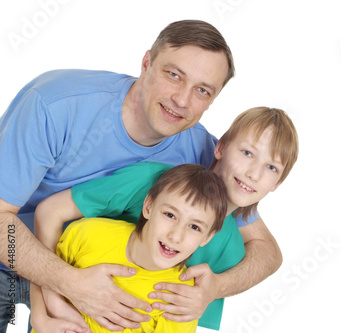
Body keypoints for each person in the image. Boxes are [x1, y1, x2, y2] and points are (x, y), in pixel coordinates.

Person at [0, 20, 282, 332]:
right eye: (174, 75)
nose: (182, 100)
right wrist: (62, 287)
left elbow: (266, 250)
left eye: (202, 90)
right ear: (146, 63)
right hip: (11, 257)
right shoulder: (54, 106)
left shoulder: (204, 155)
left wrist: (215, 288)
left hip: (97, 278)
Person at [30, 106, 299, 332]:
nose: (254, 173)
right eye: (247, 153)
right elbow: (50, 213)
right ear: (221, 147)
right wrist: (45, 311)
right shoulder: (153, 181)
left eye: (271, 167)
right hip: (38, 278)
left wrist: (216, 288)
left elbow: (270, 254)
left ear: (278, 183)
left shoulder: (229, 245)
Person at [31, 164, 228, 333]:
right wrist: (40, 320)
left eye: (194, 227)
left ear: (207, 237)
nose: (176, 236)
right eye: (169, 215)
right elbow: (43, 273)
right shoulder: (87, 234)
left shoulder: (181, 298)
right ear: (148, 206)